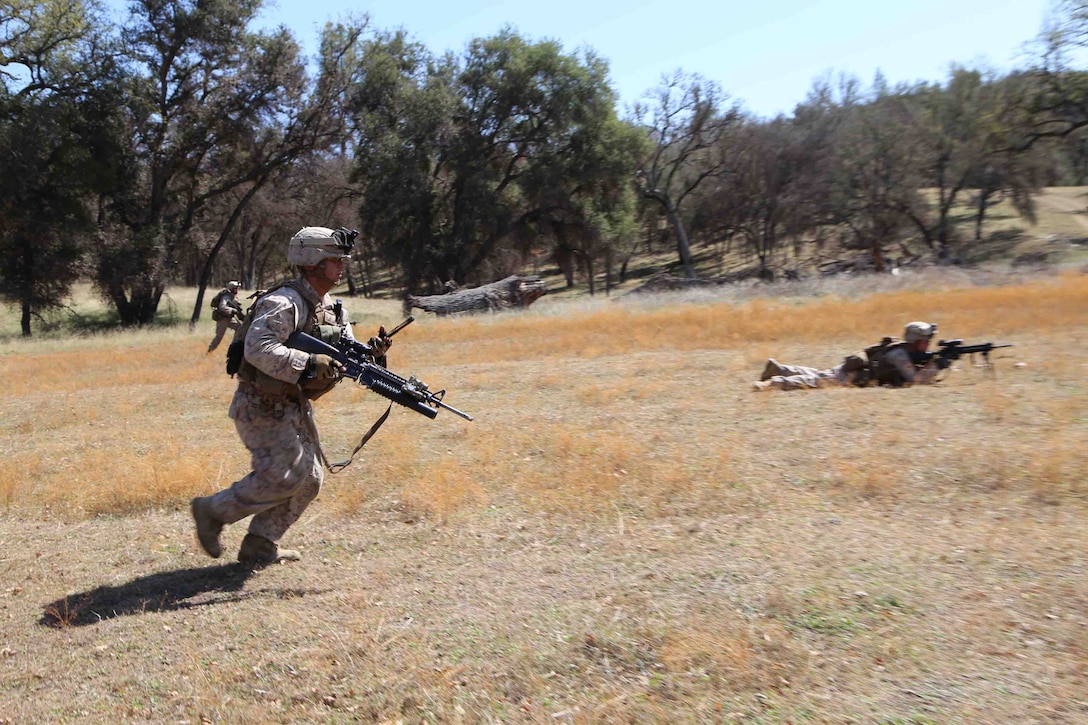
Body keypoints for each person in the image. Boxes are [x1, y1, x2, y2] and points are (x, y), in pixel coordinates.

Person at [190, 226, 392, 565]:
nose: (342, 266)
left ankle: (260, 543)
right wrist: (310, 363)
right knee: (284, 476)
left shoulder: (330, 307)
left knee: (310, 480)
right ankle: (212, 511)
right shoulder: (284, 302)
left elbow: (342, 352)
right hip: (260, 406)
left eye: (343, 260)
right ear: (313, 262)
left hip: (293, 405)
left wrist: (371, 354)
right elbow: (258, 347)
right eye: (335, 260)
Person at [752, 321, 945, 391]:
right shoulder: (899, 354)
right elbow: (914, 380)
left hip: (854, 371)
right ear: (916, 340)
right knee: (816, 381)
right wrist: (938, 365)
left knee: (820, 375)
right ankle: (774, 382)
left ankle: (779, 369)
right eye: (925, 340)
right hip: (853, 376)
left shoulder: (907, 351)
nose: (928, 344)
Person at [207, 281, 244, 353]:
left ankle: (234, 345)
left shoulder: (233, 296)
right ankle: (210, 351)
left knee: (240, 328)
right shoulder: (226, 296)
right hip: (222, 319)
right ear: (231, 289)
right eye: (235, 288)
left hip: (230, 318)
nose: (237, 290)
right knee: (219, 336)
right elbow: (222, 306)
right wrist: (232, 310)